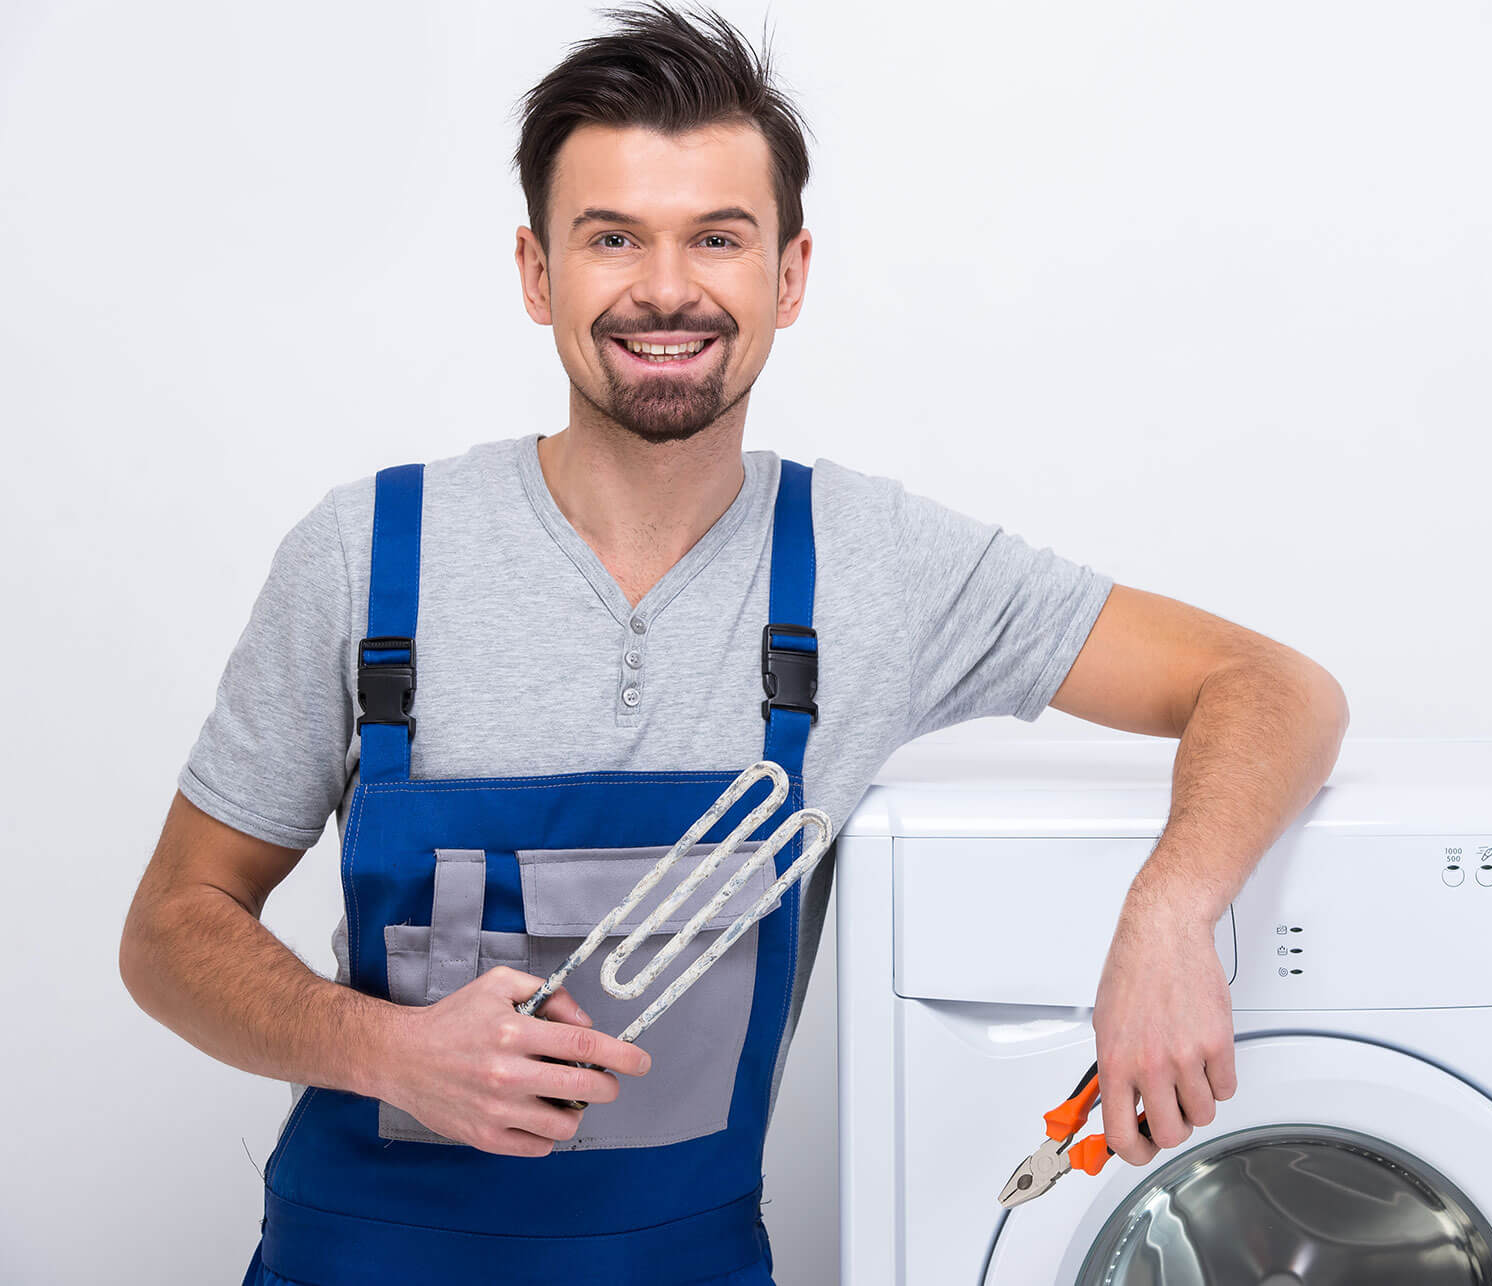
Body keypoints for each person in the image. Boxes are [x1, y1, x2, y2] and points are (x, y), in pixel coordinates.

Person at [117, 4, 1348, 1283]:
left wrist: (1171, 910)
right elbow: (169, 927)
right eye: (613, 238)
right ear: (538, 272)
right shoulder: (367, 552)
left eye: (716, 236)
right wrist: (381, 1046)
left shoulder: (884, 566)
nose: (665, 287)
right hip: (357, 1258)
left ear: (789, 273)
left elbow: (1272, 685)